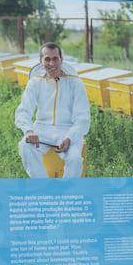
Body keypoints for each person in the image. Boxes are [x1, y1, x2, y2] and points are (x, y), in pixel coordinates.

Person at [15, 43, 91, 178]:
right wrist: (29, 131)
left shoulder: (75, 83)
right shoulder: (35, 82)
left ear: (61, 60)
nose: (51, 63)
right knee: (25, 146)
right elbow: (23, 111)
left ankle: (69, 189)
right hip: (42, 129)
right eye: (47, 59)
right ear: (41, 61)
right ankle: (44, 185)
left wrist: (70, 137)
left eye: (55, 58)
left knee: (74, 159)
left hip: (68, 130)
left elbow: (82, 118)